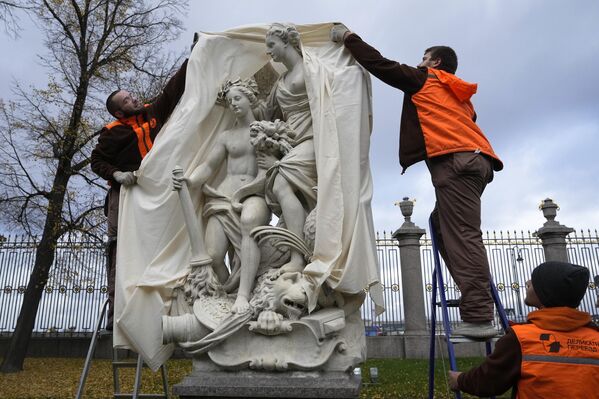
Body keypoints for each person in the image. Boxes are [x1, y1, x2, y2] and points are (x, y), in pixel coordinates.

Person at [331, 25, 503, 338]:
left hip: (456, 163)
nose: (419, 62)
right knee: (442, 226)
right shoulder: (457, 94)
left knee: (463, 234)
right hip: (475, 163)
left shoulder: (426, 79)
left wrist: (348, 38)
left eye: (424, 58)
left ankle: (478, 313)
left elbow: (381, 65)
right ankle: (473, 294)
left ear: (435, 63)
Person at [90, 58, 189, 330]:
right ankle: (116, 310)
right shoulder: (112, 134)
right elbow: (96, 162)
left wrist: (192, 58)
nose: (133, 99)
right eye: (126, 100)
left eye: (131, 96)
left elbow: (172, 90)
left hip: (155, 193)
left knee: (160, 244)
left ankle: (163, 306)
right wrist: (116, 175)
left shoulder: (151, 113)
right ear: (118, 113)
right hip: (125, 195)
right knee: (120, 247)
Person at [172, 78, 271, 315]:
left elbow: (269, 171)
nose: (234, 104)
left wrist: (245, 192)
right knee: (214, 256)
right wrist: (190, 181)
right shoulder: (227, 136)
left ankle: (244, 295)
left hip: (254, 193)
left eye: (238, 98)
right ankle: (228, 294)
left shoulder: (265, 130)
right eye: (229, 101)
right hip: (223, 196)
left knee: (249, 223)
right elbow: (208, 166)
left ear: (250, 98)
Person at [447, 261, 599, 397]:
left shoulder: (522, 338)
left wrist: (459, 380)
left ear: (546, 293)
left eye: (535, 281)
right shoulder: (595, 337)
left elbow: (489, 380)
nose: (527, 282)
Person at [258, 23, 317, 274]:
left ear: (286, 42)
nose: (269, 51)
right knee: (291, 193)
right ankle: (304, 253)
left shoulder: (313, 68)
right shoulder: (280, 81)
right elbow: (265, 113)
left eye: (271, 45)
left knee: (281, 183)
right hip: (291, 143)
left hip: (314, 139)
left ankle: (297, 257)